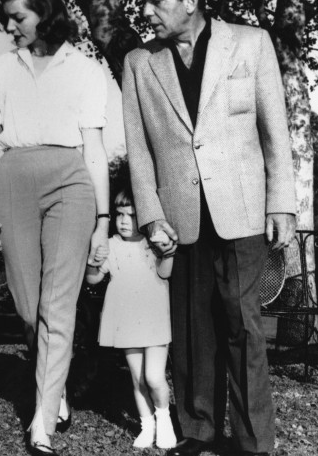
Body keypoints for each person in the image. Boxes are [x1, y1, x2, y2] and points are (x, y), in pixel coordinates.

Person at [122, 0, 297, 456]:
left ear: (191, 1)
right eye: (143, 0)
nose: (147, 10)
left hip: (242, 211)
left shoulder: (251, 42)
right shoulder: (139, 62)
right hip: (180, 220)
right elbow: (139, 150)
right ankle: (198, 432)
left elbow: (275, 132)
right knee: (193, 333)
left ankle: (252, 442)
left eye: (157, 0)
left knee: (243, 329)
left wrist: (282, 203)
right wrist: (152, 215)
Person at [0, 0, 110, 456]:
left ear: (46, 13)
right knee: (28, 306)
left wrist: (104, 223)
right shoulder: (0, 68)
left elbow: (94, 150)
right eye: (4, 18)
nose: (9, 27)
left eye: (18, 17)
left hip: (70, 182)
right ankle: (57, 385)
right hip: (13, 179)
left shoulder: (85, 69)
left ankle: (42, 421)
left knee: (59, 304)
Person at [85, 188, 177, 450]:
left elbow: (164, 273)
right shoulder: (111, 245)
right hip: (126, 318)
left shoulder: (153, 243)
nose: (124, 221)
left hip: (153, 317)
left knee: (154, 377)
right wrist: (93, 261)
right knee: (137, 378)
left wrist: (168, 253)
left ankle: (165, 421)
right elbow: (93, 279)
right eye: (119, 214)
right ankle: (147, 425)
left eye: (132, 215)